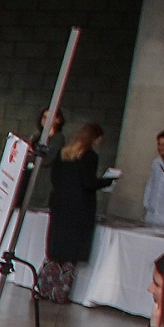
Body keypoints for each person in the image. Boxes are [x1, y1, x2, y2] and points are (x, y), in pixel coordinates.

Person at [41, 118, 107, 304]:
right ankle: (61, 292)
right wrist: (107, 181)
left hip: (60, 206)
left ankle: (45, 287)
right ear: (95, 138)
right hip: (79, 209)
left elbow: (55, 178)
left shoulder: (64, 153)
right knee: (71, 253)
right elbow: (89, 182)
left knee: (55, 251)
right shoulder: (89, 156)